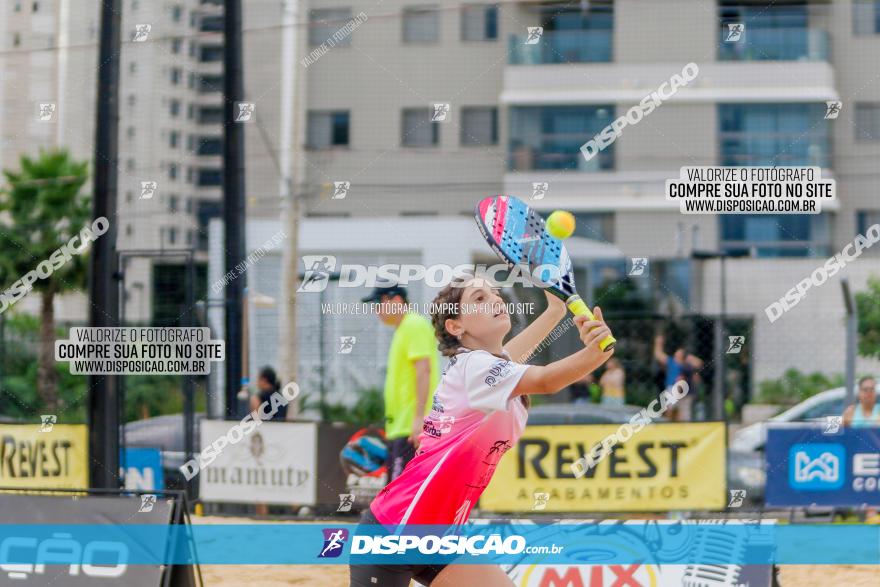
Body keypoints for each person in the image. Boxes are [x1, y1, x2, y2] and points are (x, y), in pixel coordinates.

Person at [349, 275, 615, 586]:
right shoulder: (475, 368)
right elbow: (546, 380)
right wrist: (596, 353)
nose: (495, 300)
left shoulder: (485, 367)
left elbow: (512, 357)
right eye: (479, 298)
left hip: (440, 537)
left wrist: (554, 312)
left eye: (495, 293)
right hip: (393, 533)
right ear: (455, 326)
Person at [362, 282, 439, 481]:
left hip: (410, 428)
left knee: (396, 498)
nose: (377, 310)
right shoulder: (404, 328)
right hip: (403, 427)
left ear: (396, 300)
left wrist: (418, 419)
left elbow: (424, 370)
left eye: (379, 303)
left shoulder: (413, 325)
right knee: (401, 496)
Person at [653, 334, 702, 421]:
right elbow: (659, 355)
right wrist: (658, 343)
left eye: (680, 354)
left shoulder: (686, 365)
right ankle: (668, 423)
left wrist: (688, 357)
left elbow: (699, 363)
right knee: (670, 409)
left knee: (683, 412)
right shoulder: (671, 362)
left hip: (684, 390)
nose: (677, 355)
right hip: (672, 388)